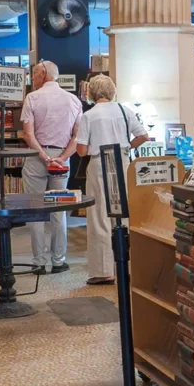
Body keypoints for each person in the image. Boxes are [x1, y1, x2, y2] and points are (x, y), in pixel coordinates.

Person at [75, 76, 149, 286]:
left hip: (99, 164)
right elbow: (143, 136)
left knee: (100, 215)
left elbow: (81, 151)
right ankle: (129, 265)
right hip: (123, 161)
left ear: (91, 93)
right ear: (112, 90)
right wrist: (127, 146)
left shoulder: (88, 116)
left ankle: (104, 270)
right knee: (124, 214)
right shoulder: (126, 111)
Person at [20, 60, 82, 275]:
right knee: (59, 210)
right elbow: (77, 135)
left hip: (37, 156)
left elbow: (28, 134)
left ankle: (38, 262)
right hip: (62, 158)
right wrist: (62, 157)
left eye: (35, 74)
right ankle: (58, 260)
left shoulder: (32, 98)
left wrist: (45, 156)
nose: (33, 79)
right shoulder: (73, 100)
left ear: (44, 74)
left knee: (36, 209)